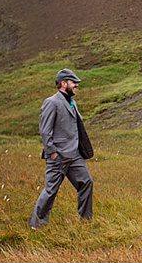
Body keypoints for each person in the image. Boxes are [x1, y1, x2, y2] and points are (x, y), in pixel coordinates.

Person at [29, 69, 94, 229]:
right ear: (64, 83)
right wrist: (52, 152)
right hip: (58, 156)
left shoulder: (72, 103)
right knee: (51, 190)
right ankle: (36, 225)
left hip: (75, 155)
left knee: (86, 182)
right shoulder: (52, 102)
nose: (76, 85)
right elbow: (45, 130)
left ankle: (86, 221)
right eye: (73, 82)